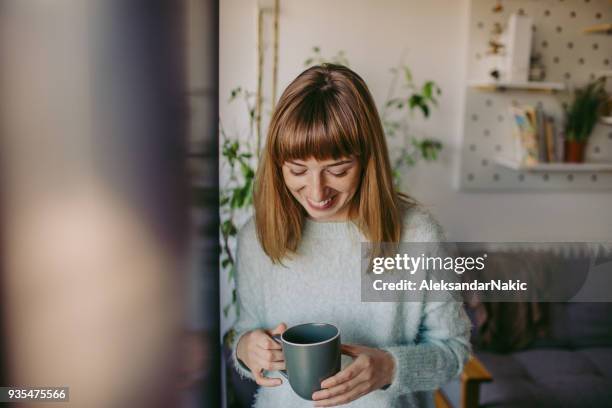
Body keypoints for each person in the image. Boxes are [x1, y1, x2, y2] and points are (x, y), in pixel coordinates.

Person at [231, 64, 470, 407]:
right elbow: (245, 330)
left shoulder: (417, 234)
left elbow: (454, 352)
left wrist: (389, 367)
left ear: (367, 160)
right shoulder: (256, 237)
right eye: (298, 170)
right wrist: (246, 348)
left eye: (338, 170)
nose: (316, 191)